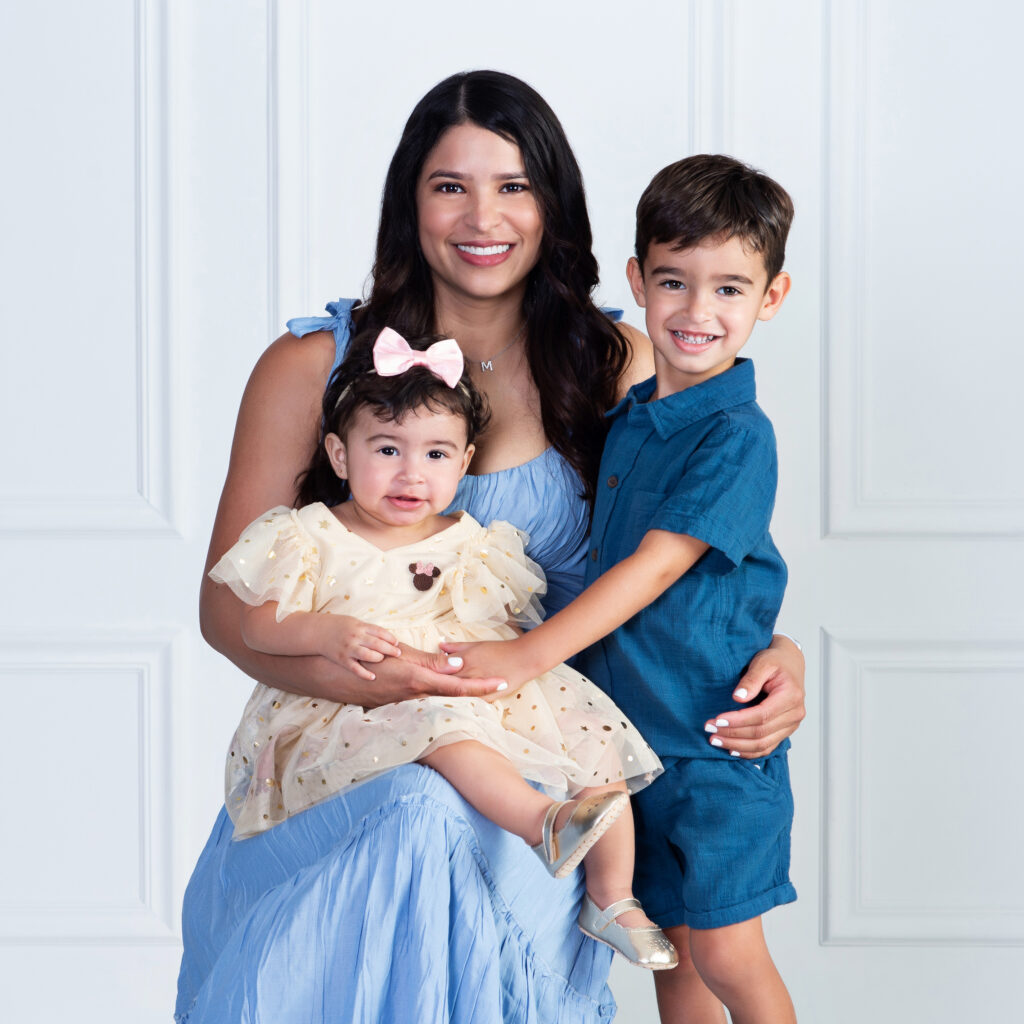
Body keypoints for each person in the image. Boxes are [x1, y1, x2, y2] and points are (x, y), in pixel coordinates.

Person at [179, 70, 806, 1024]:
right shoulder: (313, 364)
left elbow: (688, 556)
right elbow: (226, 609)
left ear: (552, 204)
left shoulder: (622, 360)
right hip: (358, 755)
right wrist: (394, 699)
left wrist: (781, 655)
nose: (484, 215)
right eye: (449, 185)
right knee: (418, 814)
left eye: (513, 186)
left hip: (533, 758)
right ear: (409, 202)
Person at [443, 154, 800, 1023]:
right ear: (638, 281)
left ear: (771, 298)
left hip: (715, 744)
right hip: (629, 744)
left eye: (729, 289)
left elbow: (656, 567)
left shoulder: (738, 433)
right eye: (675, 282)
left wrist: (526, 656)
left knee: (726, 951)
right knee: (671, 966)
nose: (698, 311)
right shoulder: (625, 419)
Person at [209, 326, 676, 969]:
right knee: (442, 721)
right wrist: (324, 633)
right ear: (339, 455)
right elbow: (254, 627)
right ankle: (542, 820)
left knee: (589, 727)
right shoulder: (309, 534)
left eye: (436, 455)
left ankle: (612, 897)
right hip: (357, 703)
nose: (410, 473)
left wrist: (514, 672)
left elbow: (499, 624)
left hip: (460, 674)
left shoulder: (473, 541)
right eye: (386, 449)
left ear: (464, 462)